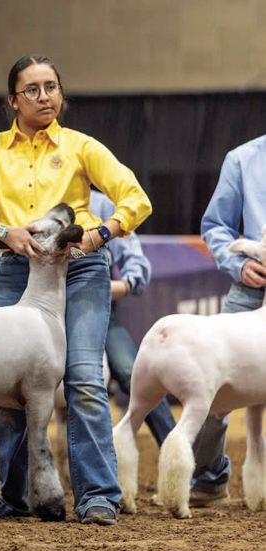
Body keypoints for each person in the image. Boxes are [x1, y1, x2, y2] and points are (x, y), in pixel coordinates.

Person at [0, 55, 152, 526]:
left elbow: (135, 196)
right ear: (12, 100)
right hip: (18, 269)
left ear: (62, 94)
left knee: (82, 378)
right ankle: (13, 497)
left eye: (51, 87)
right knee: (6, 384)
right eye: (32, 89)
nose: (44, 97)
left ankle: (98, 496)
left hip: (82, 267)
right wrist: (1, 230)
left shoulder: (80, 146)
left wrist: (101, 234)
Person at [193, 134, 266, 506]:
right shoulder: (242, 159)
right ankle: (207, 479)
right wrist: (240, 264)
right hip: (251, 289)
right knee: (211, 386)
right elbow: (216, 225)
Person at [90, 190, 176, 445]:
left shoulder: (101, 204)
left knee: (133, 373)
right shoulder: (29, 197)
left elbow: (136, 263)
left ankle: (178, 453)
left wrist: (123, 285)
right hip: (45, 314)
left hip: (98, 311)